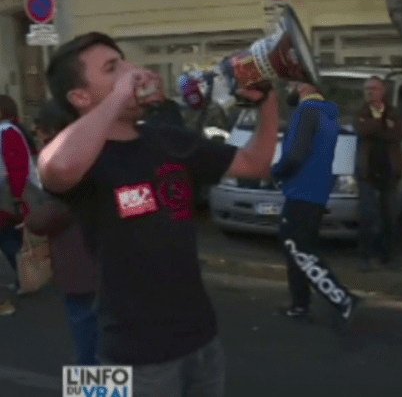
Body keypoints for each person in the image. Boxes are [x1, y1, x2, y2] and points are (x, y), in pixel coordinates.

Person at [41, 32, 278, 397]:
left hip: (202, 341)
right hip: (132, 356)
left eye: (124, 62)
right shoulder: (83, 156)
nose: (129, 72)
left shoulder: (166, 139)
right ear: (80, 97)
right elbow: (56, 167)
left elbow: (257, 163)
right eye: (112, 68)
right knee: (87, 377)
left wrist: (267, 100)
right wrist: (122, 93)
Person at [272, 81, 359, 326]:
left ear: (303, 87)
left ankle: (342, 298)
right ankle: (300, 305)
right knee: (301, 249)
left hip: (302, 189)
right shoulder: (329, 113)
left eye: (292, 84)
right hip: (317, 190)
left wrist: (277, 172)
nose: (288, 88)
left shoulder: (306, 110)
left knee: (297, 249)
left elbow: (295, 154)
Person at [26, 100, 99, 365]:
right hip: (110, 259)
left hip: (83, 262)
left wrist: (35, 219)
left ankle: (95, 393)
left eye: (40, 130)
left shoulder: (66, 159)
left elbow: (61, 207)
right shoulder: (98, 145)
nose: (39, 136)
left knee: (88, 339)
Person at [354, 76, 402, 271]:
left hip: (389, 170)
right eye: (367, 89)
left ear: (383, 91)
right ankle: (365, 256)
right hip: (367, 169)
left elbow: (400, 132)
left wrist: (375, 126)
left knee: (390, 214)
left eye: (374, 88)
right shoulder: (360, 110)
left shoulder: (394, 112)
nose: (370, 92)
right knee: (367, 214)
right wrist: (383, 124)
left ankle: (388, 255)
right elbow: (361, 129)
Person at [0, 95, 38, 315]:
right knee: (11, 238)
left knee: (11, 239)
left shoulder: (8, 133)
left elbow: (17, 168)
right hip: (8, 196)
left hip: (7, 197)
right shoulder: (9, 131)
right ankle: (22, 277)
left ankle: (24, 277)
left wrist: (17, 196)